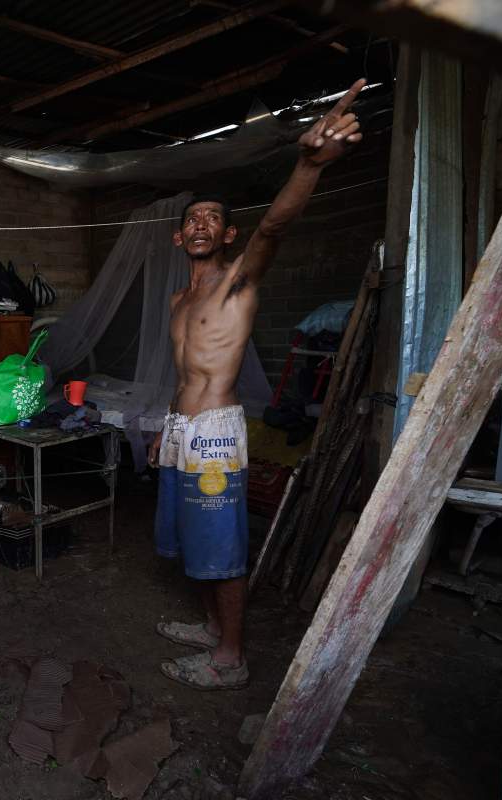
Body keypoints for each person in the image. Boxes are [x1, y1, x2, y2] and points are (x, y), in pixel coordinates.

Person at [149, 78, 366, 690]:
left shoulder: (237, 283)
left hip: (216, 434)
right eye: (192, 218)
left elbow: (273, 227)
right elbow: (180, 373)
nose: (201, 224)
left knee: (222, 543)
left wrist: (309, 164)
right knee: (195, 537)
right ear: (179, 235)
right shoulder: (176, 299)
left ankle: (230, 658)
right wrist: (162, 430)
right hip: (180, 429)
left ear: (226, 237)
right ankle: (212, 630)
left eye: (213, 218)